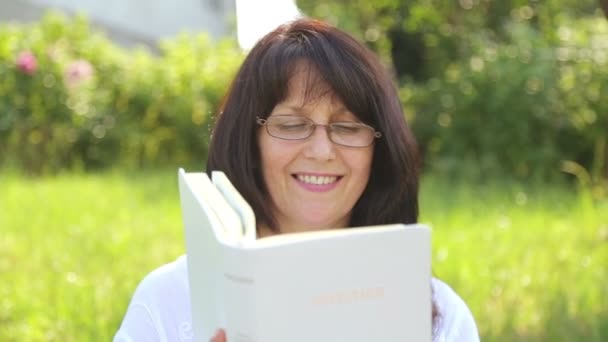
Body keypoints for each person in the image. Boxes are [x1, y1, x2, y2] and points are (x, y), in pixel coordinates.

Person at [114, 18, 480, 342]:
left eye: (348, 127)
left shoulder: (438, 317)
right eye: (292, 125)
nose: (321, 151)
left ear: (378, 150)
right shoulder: (169, 300)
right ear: (249, 142)